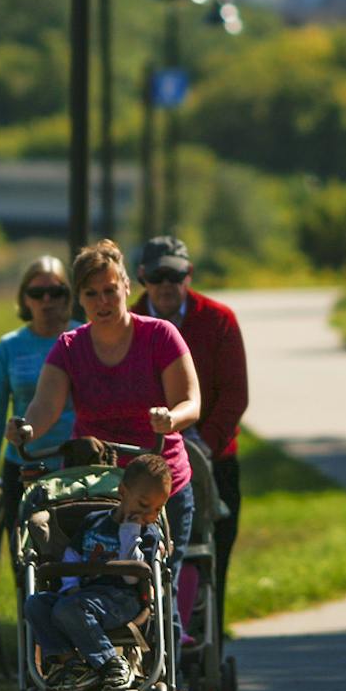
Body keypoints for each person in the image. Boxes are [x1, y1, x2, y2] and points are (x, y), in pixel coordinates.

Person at [7, 239, 203, 628]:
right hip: (98, 486)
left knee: (158, 589)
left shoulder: (159, 336)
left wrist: (170, 418)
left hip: (156, 485)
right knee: (88, 579)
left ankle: (167, 676)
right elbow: (45, 406)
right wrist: (26, 429)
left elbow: (190, 402)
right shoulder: (69, 347)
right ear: (79, 299)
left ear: (127, 287)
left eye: (110, 290)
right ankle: (90, 663)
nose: (103, 302)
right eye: (91, 294)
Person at [134, 234, 248, 622]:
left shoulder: (218, 320)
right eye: (158, 275)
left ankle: (211, 624)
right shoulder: (126, 322)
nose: (167, 285)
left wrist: (207, 443)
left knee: (214, 544)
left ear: (189, 275)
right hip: (144, 458)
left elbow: (235, 394)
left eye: (176, 275)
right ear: (142, 276)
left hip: (211, 457)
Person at [22, 453, 174, 691]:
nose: (150, 515)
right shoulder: (94, 521)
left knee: (68, 609)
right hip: (82, 596)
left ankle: (111, 663)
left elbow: (132, 577)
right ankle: (72, 664)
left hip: (122, 599)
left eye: (158, 508)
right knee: (35, 604)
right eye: (144, 505)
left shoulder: (147, 533)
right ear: (123, 492)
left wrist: (130, 533)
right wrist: (69, 585)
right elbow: (73, 553)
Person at [0, 256, 79, 525]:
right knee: (26, 558)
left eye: (55, 292)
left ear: (67, 297)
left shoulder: (83, 338)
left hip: (77, 466)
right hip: (23, 466)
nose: (46, 300)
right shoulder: (9, 347)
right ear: (25, 299)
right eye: (37, 293)